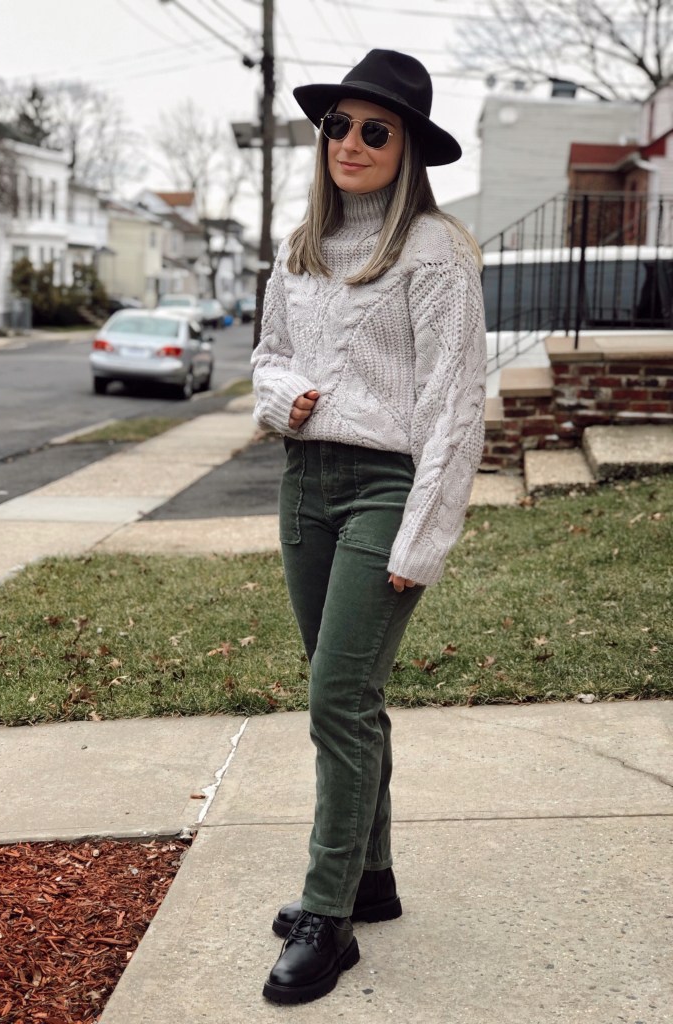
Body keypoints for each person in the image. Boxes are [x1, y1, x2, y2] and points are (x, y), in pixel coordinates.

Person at [251, 49, 487, 1006]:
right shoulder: (301, 247)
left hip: (385, 490)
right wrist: (281, 396)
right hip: (304, 485)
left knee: (336, 699)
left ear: (408, 148)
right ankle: (371, 879)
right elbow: (267, 355)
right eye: (337, 126)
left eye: (374, 130)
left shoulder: (435, 253)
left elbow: (455, 404)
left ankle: (327, 912)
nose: (350, 143)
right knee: (348, 696)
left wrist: (423, 536)